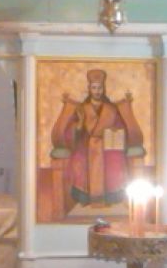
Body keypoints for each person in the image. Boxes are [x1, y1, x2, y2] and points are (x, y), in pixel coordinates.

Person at [54, 69, 145, 206]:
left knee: (115, 160)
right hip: (86, 145)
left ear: (104, 88)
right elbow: (70, 132)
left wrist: (115, 130)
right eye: (94, 88)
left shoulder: (111, 109)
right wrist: (79, 125)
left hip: (108, 145)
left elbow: (121, 127)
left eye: (99, 88)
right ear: (89, 88)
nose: (97, 91)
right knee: (79, 161)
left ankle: (111, 196)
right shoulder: (82, 108)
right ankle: (85, 196)